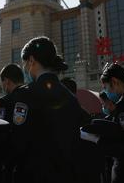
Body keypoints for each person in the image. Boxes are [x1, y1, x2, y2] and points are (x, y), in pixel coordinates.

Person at [9, 36, 85, 183]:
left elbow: (18, 141)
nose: (25, 68)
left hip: (33, 175)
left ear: (31, 60)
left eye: (25, 63)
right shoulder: (71, 98)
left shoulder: (25, 94)